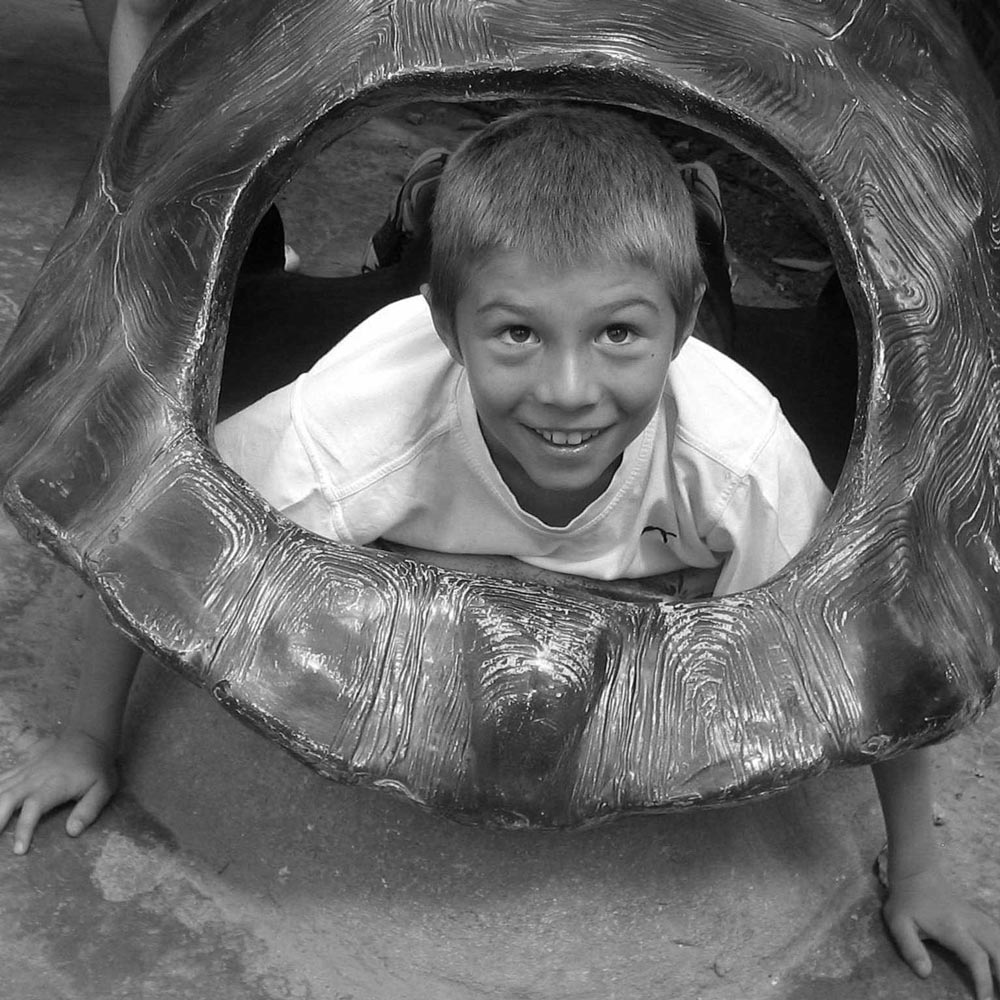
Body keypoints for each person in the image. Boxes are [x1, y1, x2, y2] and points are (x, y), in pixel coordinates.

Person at [2, 104, 998, 998]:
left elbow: (873, 637)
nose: (568, 390)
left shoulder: (735, 454)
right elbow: (156, 534)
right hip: (409, 376)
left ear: (679, 332)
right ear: (452, 331)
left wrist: (916, 866)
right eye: (518, 334)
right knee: (301, 337)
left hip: (672, 387)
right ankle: (426, 225)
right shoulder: (356, 426)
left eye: (618, 333)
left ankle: (670, 244)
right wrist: (88, 735)